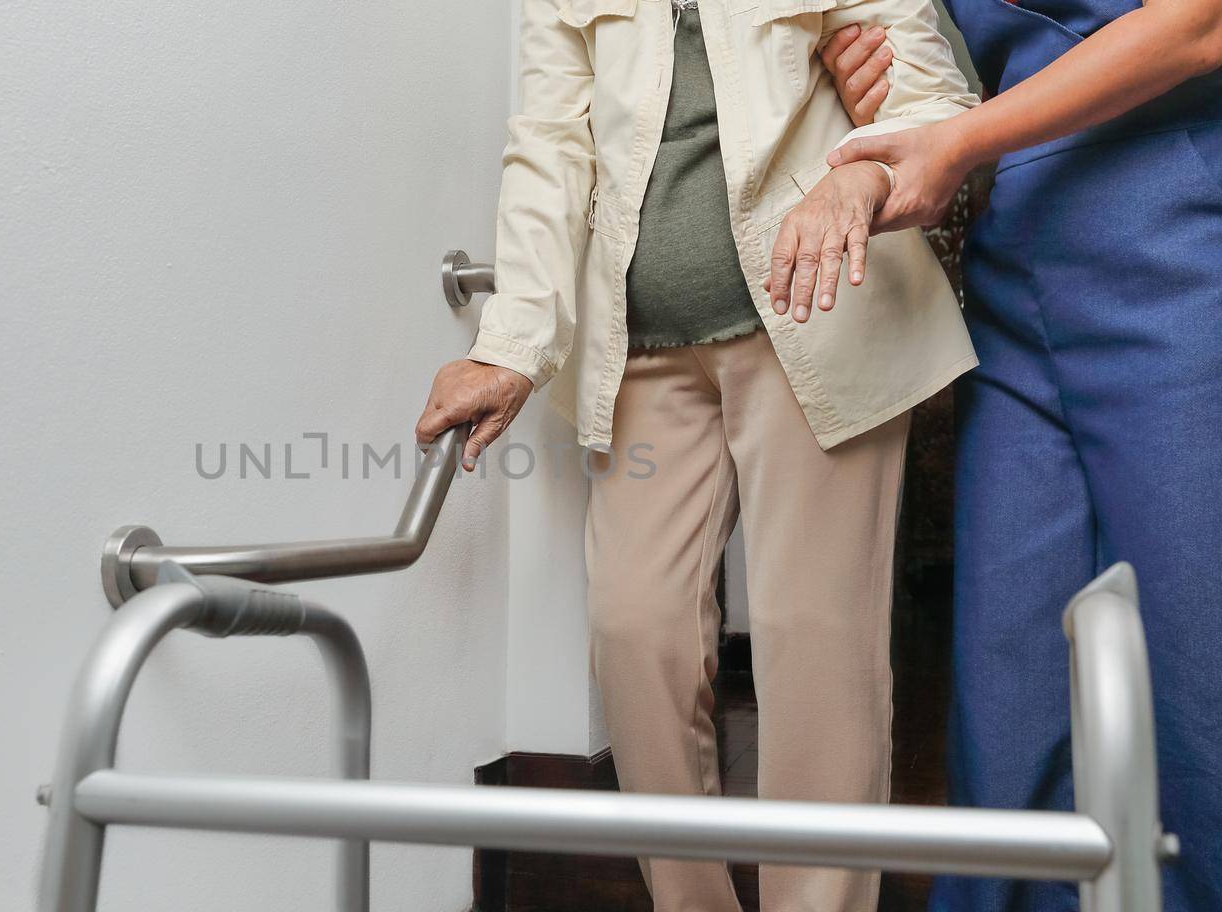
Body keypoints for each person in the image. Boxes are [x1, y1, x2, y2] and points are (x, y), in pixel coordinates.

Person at [414, 0, 980, 908]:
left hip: (820, 310)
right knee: (635, 635)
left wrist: (866, 180)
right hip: (638, 352)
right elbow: (549, 147)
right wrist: (510, 346)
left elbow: (927, 84)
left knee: (816, 653)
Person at [817, 5, 1222, 909]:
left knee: (1204, 693)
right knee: (1008, 708)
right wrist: (889, 84)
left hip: (1186, 236)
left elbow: (1200, 23)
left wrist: (957, 138)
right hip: (1022, 257)